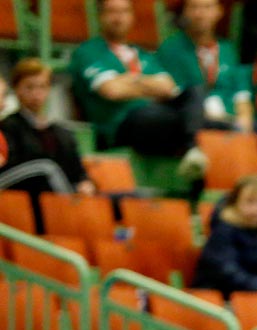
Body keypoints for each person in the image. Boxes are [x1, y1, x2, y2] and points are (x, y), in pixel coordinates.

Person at [68, 0, 207, 178]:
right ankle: (192, 145)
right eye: (112, 12)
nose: (118, 18)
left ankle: (192, 148)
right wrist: (147, 84)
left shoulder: (142, 54)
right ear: (101, 16)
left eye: (124, 12)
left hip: (157, 120)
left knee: (194, 91)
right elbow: (112, 91)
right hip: (121, 125)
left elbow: (168, 87)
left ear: (132, 16)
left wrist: (128, 80)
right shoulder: (88, 52)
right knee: (188, 119)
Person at [0, 60, 97, 197]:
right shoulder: (8, 127)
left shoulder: (62, 133)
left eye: (42, 87)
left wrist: (85, 183)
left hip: (66, 195)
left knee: (130, 196)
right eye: (29, 87)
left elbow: (78, 171)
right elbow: (11, 170)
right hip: (31, 197)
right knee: (46, 168)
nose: (36, 94)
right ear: (16, 89)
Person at [194, 175, 257, 296]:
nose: (256, 209)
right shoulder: (222, 232)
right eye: (250, 202)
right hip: (222, 299)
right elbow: (228, 273)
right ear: (235, 202)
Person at [155, 0, 241, 129]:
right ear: (184, 13)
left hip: (231, 119)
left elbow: (239, 90)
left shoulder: (228, 49)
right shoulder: (170, 48)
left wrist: (243, 118)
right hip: (191, 122)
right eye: (193, 7)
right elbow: (174, 94)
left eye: (207, 7)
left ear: (219, 11)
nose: (200, 14)